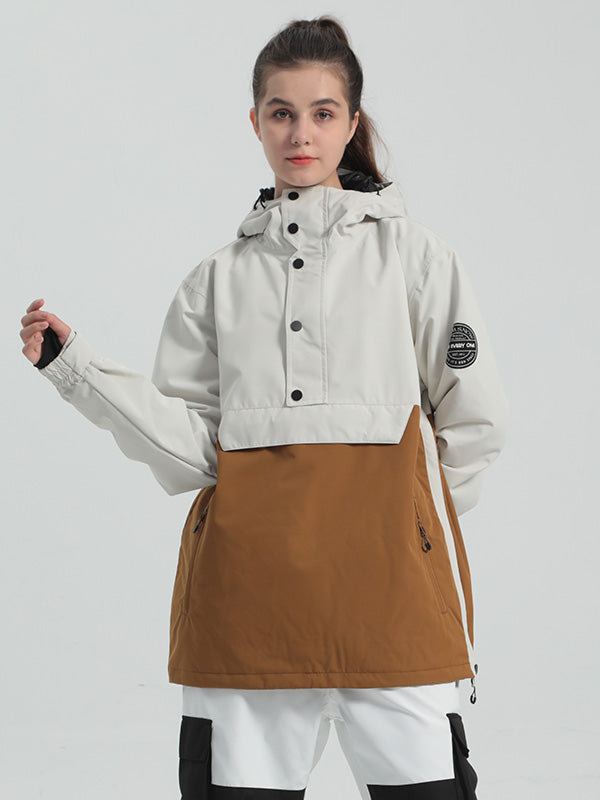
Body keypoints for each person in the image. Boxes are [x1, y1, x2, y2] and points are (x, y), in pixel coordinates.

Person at [20, 14, 508, 800]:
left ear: (351, 123)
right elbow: (189, 452)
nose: (300, 133)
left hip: (397, 615)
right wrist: (77, 369)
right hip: (245, 617)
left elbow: (475, 423)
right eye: (281, 112)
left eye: (322, 112)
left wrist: (407, 530)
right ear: (255, 122)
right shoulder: (215, 281)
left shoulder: (417, 260)